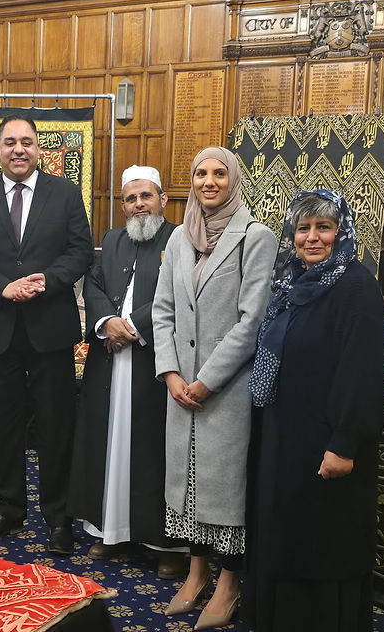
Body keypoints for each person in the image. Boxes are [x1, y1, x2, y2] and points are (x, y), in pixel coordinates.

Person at [242, 190, 384, 632]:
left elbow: (363, 374)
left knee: (321, 545)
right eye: (303, 228)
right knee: (285, 539)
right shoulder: (291, 283)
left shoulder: (357, 288)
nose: (311, 238)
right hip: (286, 436)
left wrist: (344, 443)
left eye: (323, 228)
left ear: (341, 232)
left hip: (327, 443)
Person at [0, 114, 93, 556]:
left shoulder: (65, 193)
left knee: (56, 426)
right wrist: (3, 287)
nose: (18, 149)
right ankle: (8, 509)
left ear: (38, 149)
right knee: (1, 425)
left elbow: (80, 251)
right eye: (10, 141)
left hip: (50, 328)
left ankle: (59, 517)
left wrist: (47, 280)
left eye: (26, 142)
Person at [152, 146, 277, 630]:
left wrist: (206, 380)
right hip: (181, 388)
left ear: (234, 180)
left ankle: (228, 583)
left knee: (226, 488)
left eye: (219, 173)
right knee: (186, 484)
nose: (209, 182)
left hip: (225, 389)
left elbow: (253, 320)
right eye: (200, 173)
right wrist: (171, 373)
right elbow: (162, 311)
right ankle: (196, 572)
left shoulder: (255, 237)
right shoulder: (180, 237)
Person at [68, 164, 185, 578]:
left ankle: (165, 543)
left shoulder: (179, 239)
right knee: (107, 442)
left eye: (146, 196)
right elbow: (94, 284)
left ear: (162, 200)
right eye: (131, 198)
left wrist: (132, 325)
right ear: (123, 205)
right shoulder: (114, 239)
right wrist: (106, 322)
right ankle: (111, 529)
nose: (139, 204)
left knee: (154, 448)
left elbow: (179, 293)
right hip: (109, 358)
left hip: (156, 361)